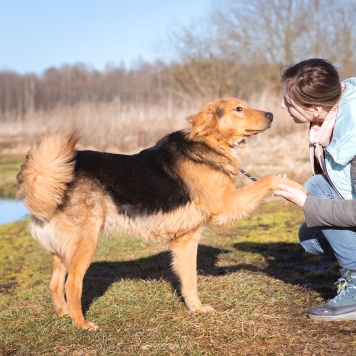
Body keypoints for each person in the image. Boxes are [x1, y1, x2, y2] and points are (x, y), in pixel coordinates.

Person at [275, 58, 356, 321]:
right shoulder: (331, 117)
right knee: (310, 238)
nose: (281, 105)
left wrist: (306, 202)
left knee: (316, 190)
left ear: (315, 108)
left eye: (288, 102)